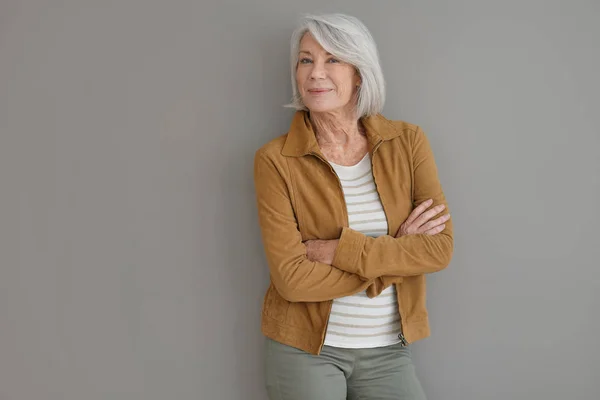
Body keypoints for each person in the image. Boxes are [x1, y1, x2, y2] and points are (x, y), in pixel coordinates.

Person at [253, 13, 453, 400]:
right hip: (304, 351)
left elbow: (438, 248)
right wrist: (393, 258)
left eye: (333, 59)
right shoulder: (275, 159)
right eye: (306, 59)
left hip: (388, 351)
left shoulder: (408, 142)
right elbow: (292, 280)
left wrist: (338, 251)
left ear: (359, 72)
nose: (315, 73)